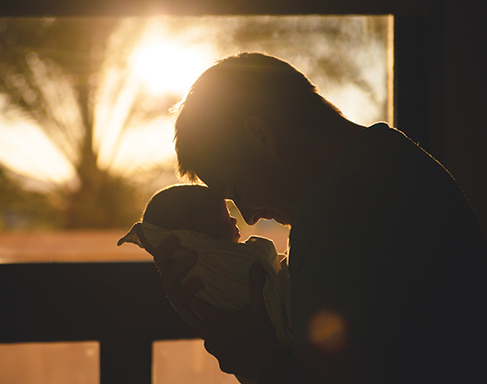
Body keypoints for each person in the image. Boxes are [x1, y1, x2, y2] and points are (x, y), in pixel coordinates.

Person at [144, 52, 487, 383]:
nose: (248, 217)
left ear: (259, 137)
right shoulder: (395, 160)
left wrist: (254, 355)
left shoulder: (336, 211)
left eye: (236, 190)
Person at [117, 185, 291, 384]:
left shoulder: (190, 274)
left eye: (238, 187)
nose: (241, 217)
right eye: (223, 217)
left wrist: (267, 361)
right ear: (195, 238)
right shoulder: (219, 264)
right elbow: (264, 258)